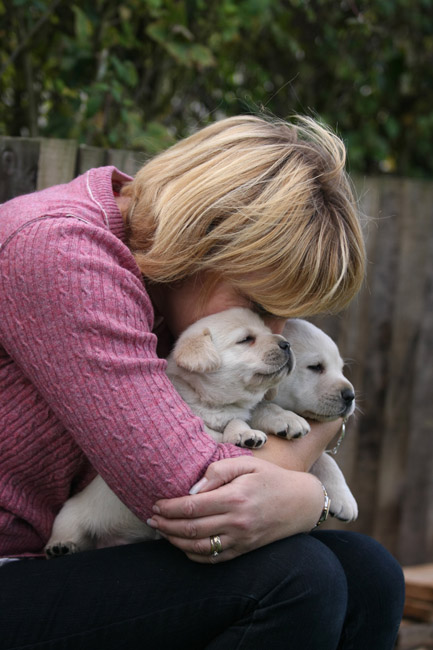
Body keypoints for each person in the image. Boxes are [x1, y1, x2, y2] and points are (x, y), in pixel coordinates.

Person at [0, 114, 404, 649]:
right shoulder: (61, 254)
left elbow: (282, 413)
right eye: (260, 306)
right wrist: (309, 495)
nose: (274, 334)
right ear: (202, 240)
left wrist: (321, 428)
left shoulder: (177, 298)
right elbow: (194, 497)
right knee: (295, 579)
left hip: (45, 561)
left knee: (370, 572)